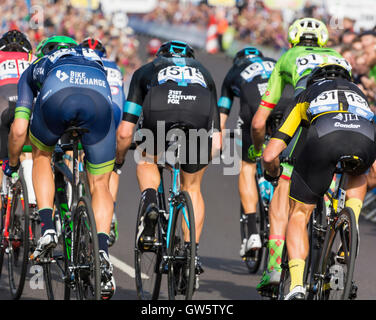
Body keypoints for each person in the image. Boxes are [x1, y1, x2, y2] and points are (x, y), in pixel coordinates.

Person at [7, 36, 117, 299]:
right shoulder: (96, 59)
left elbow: (20, 127)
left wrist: (12, 165)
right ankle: (102, 252)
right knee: (100, 183)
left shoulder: (37, 66)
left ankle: (46, 229)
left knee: (42, 154)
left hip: (58, 98)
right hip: (99, 104)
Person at [251, 17, 352, 291]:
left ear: (294, 38)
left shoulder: (288, 57)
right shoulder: (340, 58)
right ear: (322, 40)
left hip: (307, 121)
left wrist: (259, 150)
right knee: (336, 187)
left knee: (283, 197)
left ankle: (273, 268)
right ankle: (338, 250)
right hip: (348, 125)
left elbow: (260, 121)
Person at [262, 63, 376, 299]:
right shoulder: (360, 95)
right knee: (360, 174)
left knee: (299, 213)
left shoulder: (307, 94)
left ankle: (296, 286)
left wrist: (272, 173)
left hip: (325, 138)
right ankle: (350, 220)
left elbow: (270, 153)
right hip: (364, 138)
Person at [115, 40, 221, 275]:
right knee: (192, 188)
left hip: (161, 105)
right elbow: (217, 139)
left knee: (147, 158)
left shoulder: (147, 70)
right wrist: (199, 158)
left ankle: (151, 204)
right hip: (198, 110)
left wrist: (119, 159)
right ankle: (191, 253)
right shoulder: (204, 72)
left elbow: (124, 131)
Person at [218, 47, 285, 257]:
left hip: (256, 105)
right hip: (284, 101)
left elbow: (223, 110)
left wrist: (219, 138)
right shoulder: (273, 61)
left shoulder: (234, 72)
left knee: (246, 165)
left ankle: (253, 231)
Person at [80, 37, 124, 247]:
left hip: (89, 111)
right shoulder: (114, 67)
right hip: (115, 116)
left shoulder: (82, 63)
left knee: (78, 150)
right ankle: (111, 209)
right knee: (111, 166)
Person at [0, 30, 36, 205]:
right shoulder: (33, 58)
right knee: (26, 149)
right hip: (29, 106)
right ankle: (33, 197)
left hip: (4, 106)